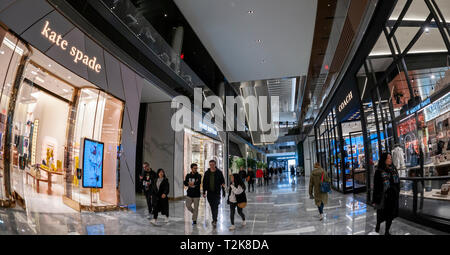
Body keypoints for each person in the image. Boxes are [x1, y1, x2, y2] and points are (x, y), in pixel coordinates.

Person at [373, 153, 400, 235]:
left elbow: (397, 181)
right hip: (383, 197)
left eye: (391, 158)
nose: (390, 159)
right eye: (388, 158)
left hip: (392, 196)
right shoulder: (379, 171)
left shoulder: (393, 168)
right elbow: (376, 187)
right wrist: (375, 199)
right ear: (384, 160)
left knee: (390, 215)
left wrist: (397, 191)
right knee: (381, 213)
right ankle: (378, 224)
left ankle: (387, 231)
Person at [202, 160, 225, 227]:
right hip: (210, 193)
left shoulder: (219, 172)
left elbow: (222, 182)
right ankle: (214, 218)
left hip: (217, 192)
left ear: (215, 164)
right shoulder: (207, 173)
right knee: (212, 206)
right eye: (210, 164)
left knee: (216, 205)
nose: (211, 166)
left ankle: (214, 219)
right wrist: (204, 192)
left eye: (213, 164)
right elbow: (204, 183)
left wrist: (223, 191)